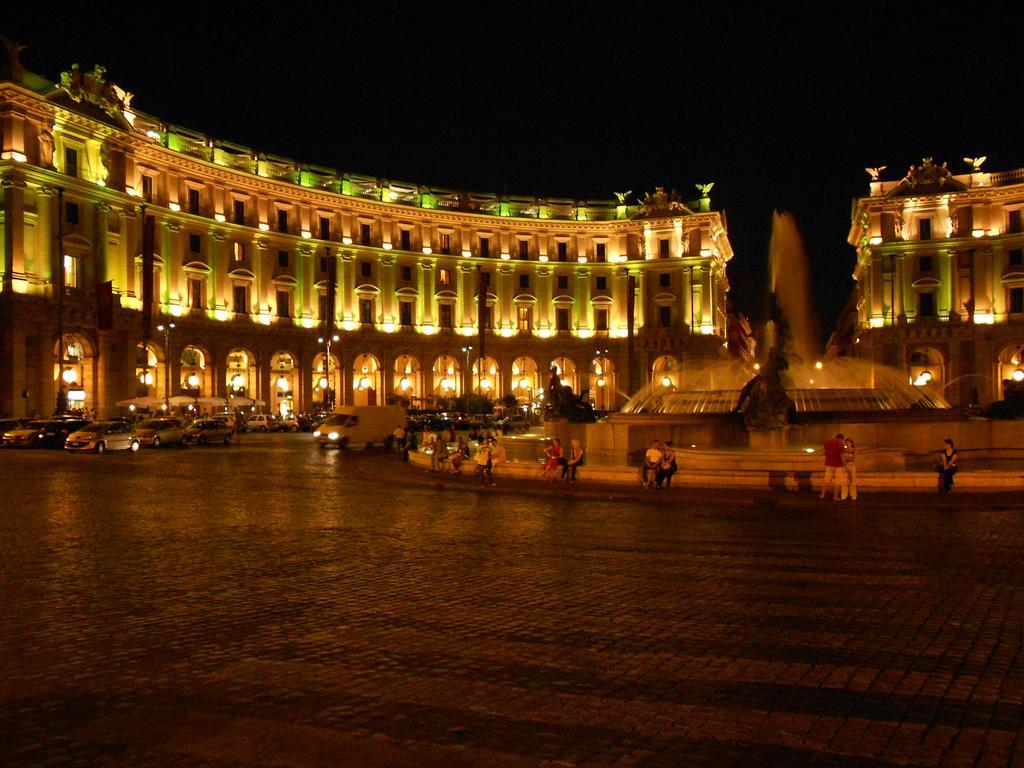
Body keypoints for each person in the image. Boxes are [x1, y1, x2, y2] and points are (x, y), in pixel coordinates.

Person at [819, 433, 845, 499]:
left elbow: (824, 451)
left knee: (826, 480)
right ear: (841, 439)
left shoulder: (827, 443)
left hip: (829, 464)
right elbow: (841, 456)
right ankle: (835, 496)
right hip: (838, 465)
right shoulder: (840, 445)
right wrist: (845, 464)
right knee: (838, 481)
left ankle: (822, 495)